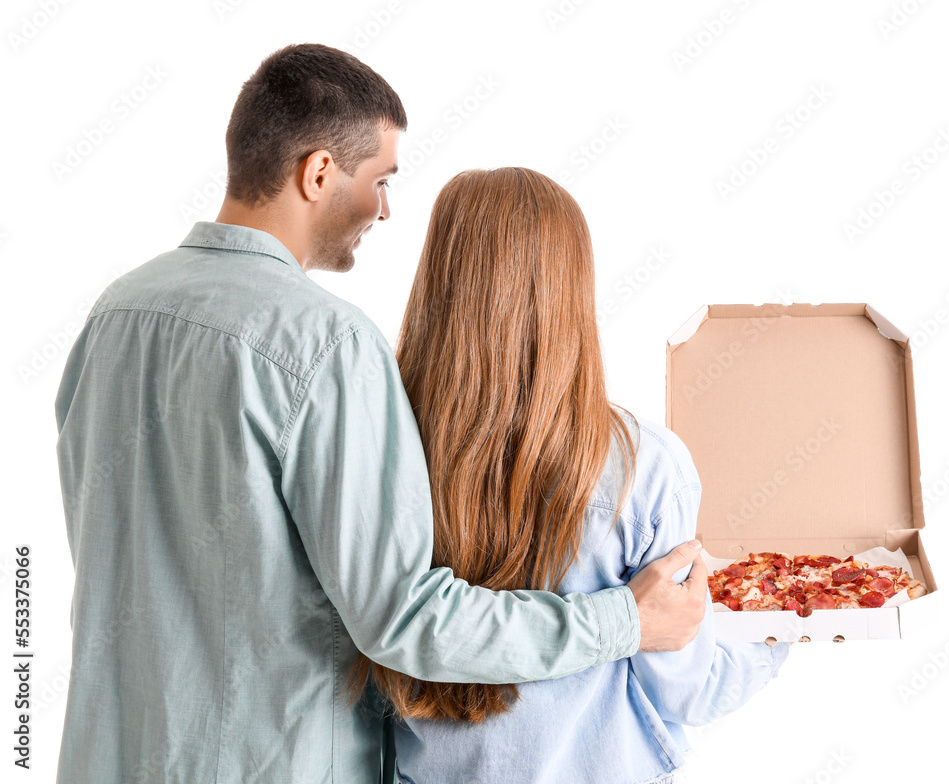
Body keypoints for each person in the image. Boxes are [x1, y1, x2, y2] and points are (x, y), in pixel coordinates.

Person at [52, 44, 709, 784]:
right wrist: (625, 622)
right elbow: (404, 618)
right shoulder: (326, 344)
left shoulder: (115, 313)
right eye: (381, 181)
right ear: (319, 172)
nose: (387, 209)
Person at [350, 167, 791, 784]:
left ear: (438, 282)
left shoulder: (375, 445)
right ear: (573, 290)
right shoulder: (646, 466)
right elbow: (689, 690)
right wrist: (782, 631)